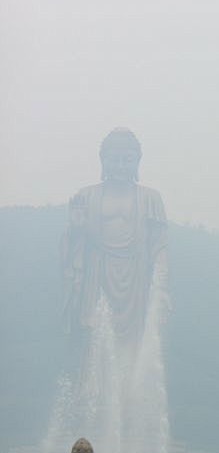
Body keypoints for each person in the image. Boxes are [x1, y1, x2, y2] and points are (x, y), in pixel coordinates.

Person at [63, 127, 167, 343]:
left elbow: (160, 248)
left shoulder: (150, 198)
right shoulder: (87, 196)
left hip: (136, 277)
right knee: (94, 338)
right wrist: (75, 229)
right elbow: (71, 248)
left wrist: (161, 289)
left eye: (127, 160)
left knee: (134, 343)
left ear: (138, 161)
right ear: (103, 160)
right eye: (114, 159)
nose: (121, 166)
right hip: (97, 275)